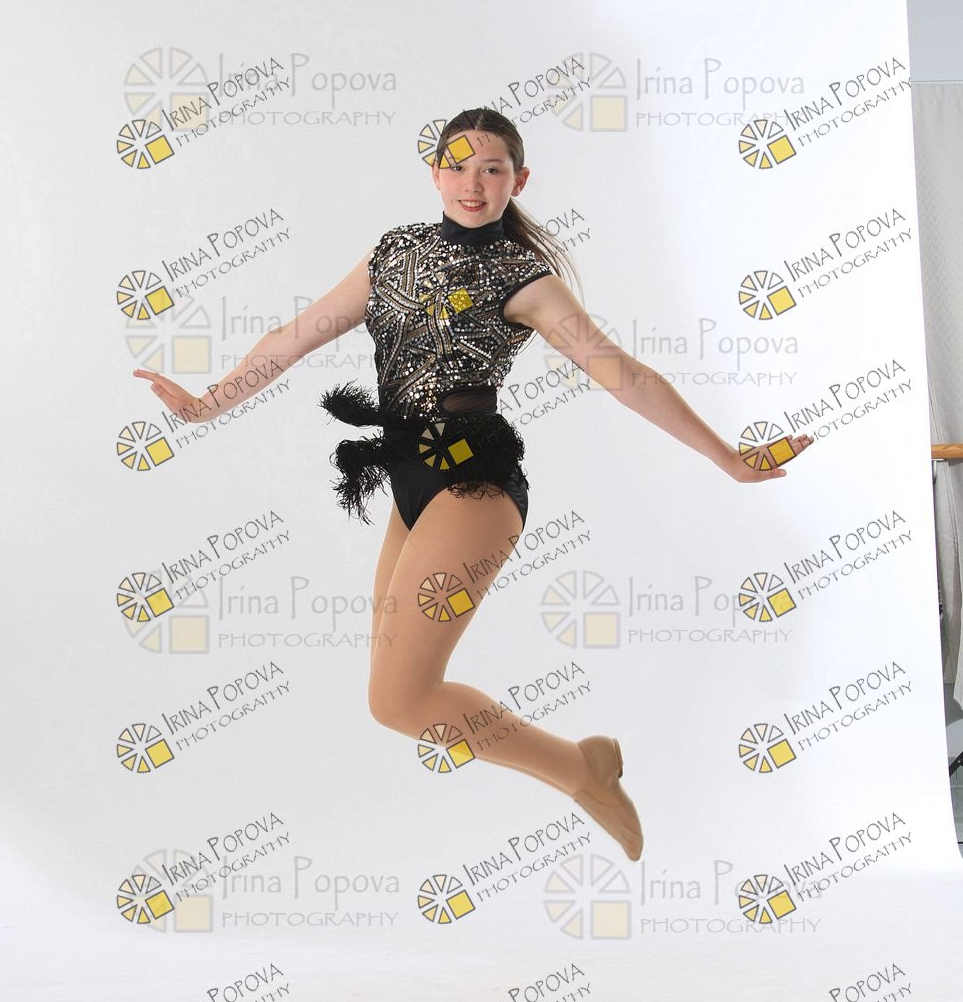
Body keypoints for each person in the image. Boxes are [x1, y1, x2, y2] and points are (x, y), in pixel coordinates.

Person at [134, 107, 812, 862]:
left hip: (473, 488)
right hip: (409, 485)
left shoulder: (526, 278)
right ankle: (585, 765)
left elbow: (622, 374)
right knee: (393, 700)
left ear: (518, 180)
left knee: (402, 700)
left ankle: (579, 770)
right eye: (458, 166)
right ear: (434, 174)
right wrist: (207, 404)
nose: (474, 183)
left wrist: (727, 457)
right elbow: (295, 336)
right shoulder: (394, 253)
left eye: (493, 169)